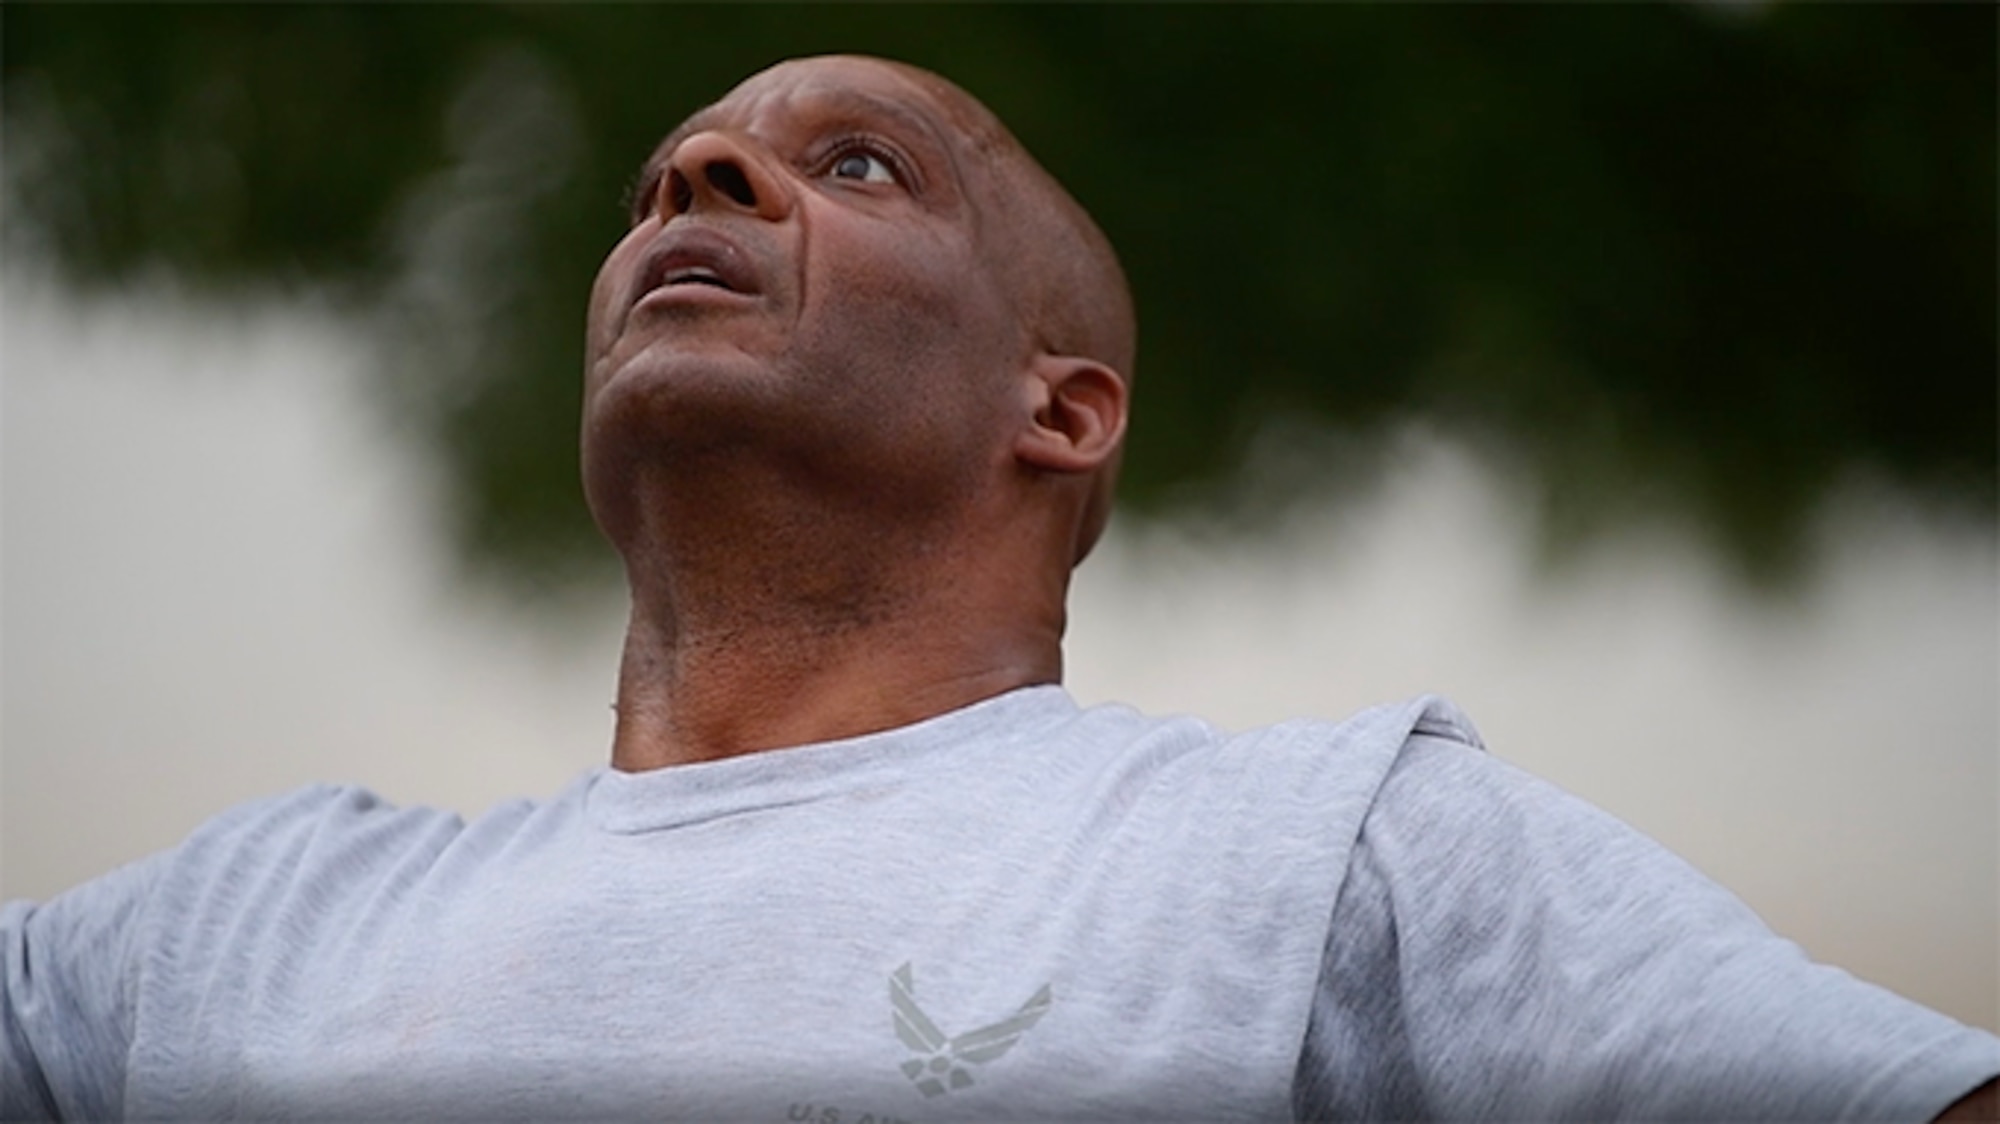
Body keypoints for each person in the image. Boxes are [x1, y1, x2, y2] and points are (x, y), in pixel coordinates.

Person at [4, 54, 1995, 1123]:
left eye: (858, 164)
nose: (696, 175)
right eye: (667, 178)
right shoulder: (228, 930)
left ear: (1062, 408)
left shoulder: (1327, 862)